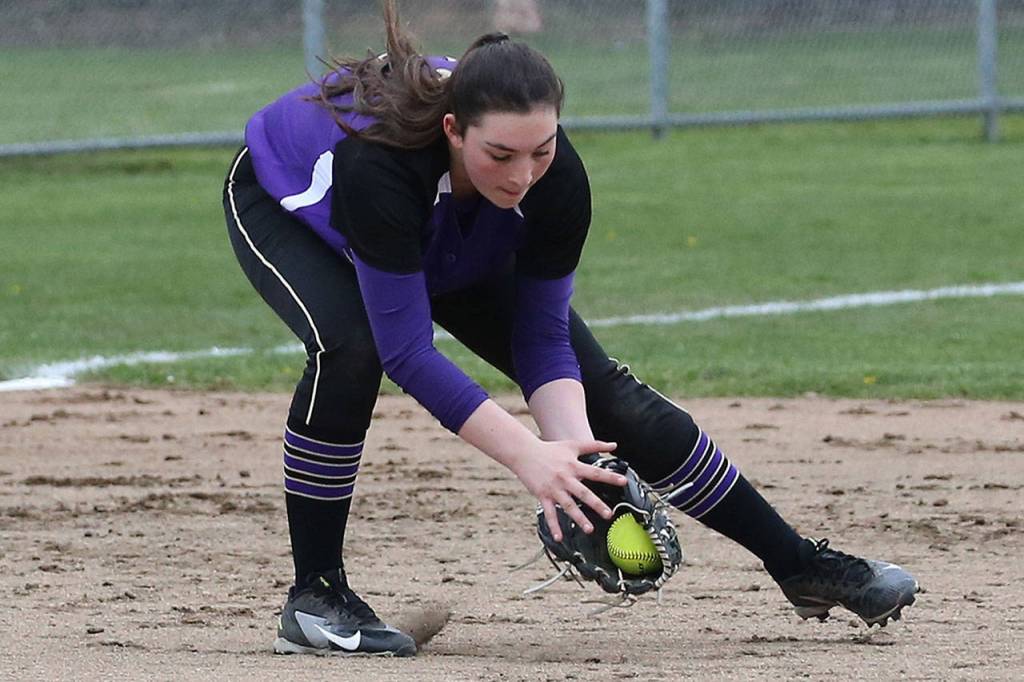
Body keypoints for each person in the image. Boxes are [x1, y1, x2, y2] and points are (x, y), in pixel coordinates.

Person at [222, 0, 918, 657]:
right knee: (355, 348)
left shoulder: (552, 179)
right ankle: (315, 598)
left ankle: (798, 564)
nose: (524, 175)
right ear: (453, 130)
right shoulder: (380, 165)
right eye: (502, 155)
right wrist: (533, 461)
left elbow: (543, 340)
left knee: (607, 395)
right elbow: (409, 351)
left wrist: (579, 459)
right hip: (291, 209)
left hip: (445, 227)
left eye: (542, 150)